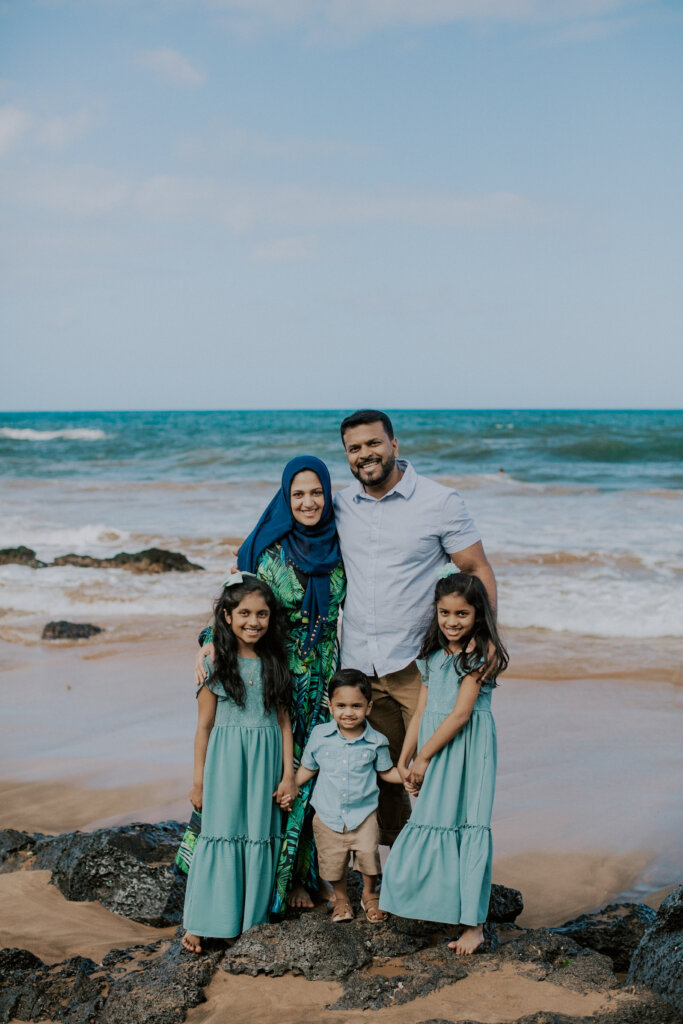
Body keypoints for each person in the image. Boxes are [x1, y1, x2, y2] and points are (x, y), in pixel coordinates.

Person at [334, 410, 497, 846]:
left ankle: (449, 869)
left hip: (417, 668)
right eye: (354, 448)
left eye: (373, 443)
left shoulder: (440, 502)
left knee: (435, 774)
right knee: (385, 777)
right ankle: (403, 875)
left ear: (394, 445)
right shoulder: (341, 504)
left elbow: (477, 568)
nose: (365, 454)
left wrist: (486, 641)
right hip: (360, 670)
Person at [194, 456, 346, 913]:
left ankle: (312, 872)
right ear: (285, 496)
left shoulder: (341, 543)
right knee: (279, 774)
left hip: (323, 677)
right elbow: (243, 605)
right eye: (298, 494)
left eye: (316, 492)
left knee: (316, 774)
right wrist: (208, 643)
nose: (308, 502)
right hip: (279, 673)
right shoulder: (269, 550)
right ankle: (281, 882)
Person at [378, 569, 508, 954]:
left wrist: (424, 758)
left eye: (462, 615)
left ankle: (474, 926)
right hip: (433, 746)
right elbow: (422, 710)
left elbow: (459, 715)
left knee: (467, 824)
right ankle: (442, 906)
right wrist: (405, 757)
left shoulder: (480, 655)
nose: (452, 622)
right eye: (445, 613)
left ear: (478, 615)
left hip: (466, 747)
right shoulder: (434, 656)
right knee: (434, 821)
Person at [182, 574, 296, 953]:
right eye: (244, 613)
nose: (254, 621)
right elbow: (204, 727)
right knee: (220, 835)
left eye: (262, 614)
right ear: (227, 616)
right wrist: (198, 782)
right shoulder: (216, 665)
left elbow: (283, 723)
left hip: (265, 765)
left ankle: (246, 924)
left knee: (257, 837)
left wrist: (288, 776)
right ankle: (202, 921)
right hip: (227, 763)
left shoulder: (276, 662)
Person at [286, 668, 402, 924]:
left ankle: (369, 894)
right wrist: (290, 786)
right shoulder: (320, 736)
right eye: (341, 705)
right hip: (327, 815)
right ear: (330, 705)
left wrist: (409, 776)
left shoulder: (376, 741)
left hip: (364, 815)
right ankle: (341, 898)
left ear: (369, 707)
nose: (348, 712)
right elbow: (308, 767)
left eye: (356, 706)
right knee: (333, 862)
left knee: (369, 857)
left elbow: (387, 772)